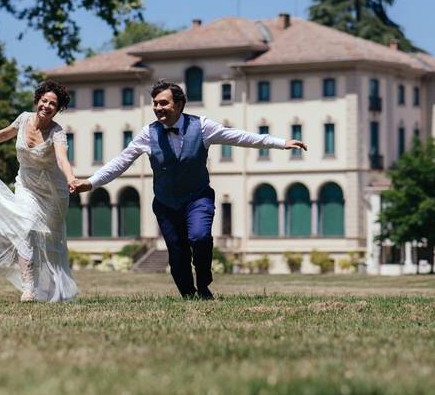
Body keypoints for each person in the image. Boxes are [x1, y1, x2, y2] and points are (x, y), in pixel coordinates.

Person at [71, 79, 307, 299]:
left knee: (200, 236)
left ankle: (204, 284)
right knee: (177, 252)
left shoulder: (202, 126)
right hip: (166, 203)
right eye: (155, 103)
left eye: (163, 102)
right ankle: (188, 294)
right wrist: (91, 182)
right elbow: (121, 162)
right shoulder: (148, 133)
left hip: (198, 197)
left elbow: (238, 137)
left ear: (179, 104)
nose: (158, 108)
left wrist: (280, 143)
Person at [0, 80, 78, 302]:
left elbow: (61, 157)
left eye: (52, 104)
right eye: (44, 101)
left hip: (51, 193)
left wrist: (71, 178)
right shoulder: (24, 118)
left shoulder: (57, 133)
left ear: (58, 109)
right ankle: (29, 287)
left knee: (47, 241)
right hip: (26, 186)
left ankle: (51, 286)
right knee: (24, 229)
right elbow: (6, 133)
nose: (47, 106)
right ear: (37, 101)